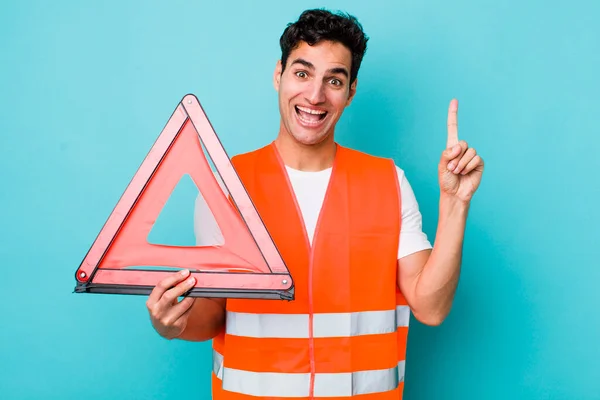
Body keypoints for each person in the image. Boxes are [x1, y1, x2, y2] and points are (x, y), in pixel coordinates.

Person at [145, 8, 484, 399]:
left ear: (351, 91)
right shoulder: (228, 187)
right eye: (302, 73)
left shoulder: (388, 182)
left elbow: (431, 307)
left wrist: (455, 203)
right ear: (279, 75)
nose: (315, 95)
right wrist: (173, 323)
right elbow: (212, 314)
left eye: (334, 80)